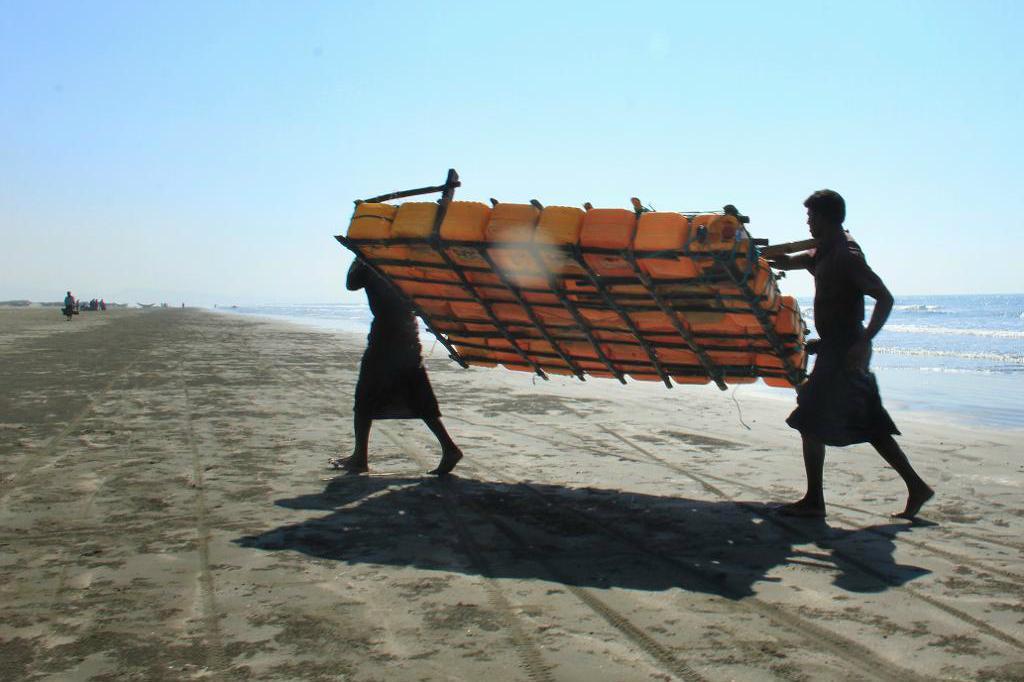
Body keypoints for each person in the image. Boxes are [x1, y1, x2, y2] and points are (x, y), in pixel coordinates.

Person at [769, 190, 933, 519]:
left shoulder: (846, 256)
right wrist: (749, 252)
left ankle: (815, 500)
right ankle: (916, 487)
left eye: (811, 217)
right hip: (836, 348)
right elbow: (786, 261)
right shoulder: (824, 253)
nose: (808, 223)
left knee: (810, 417)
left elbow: (884, 298)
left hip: (847, 351)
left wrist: (864, 341)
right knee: (870, 424)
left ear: (827, 219)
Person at [330, 258, 463, 476]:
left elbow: (351, 283)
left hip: (387, 336)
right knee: (418, 396)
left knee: (366, 394)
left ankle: (359, 458)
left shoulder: (372, 262)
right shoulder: (403, 259)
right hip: (407, 334)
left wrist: (358, 256)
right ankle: (449, 448)